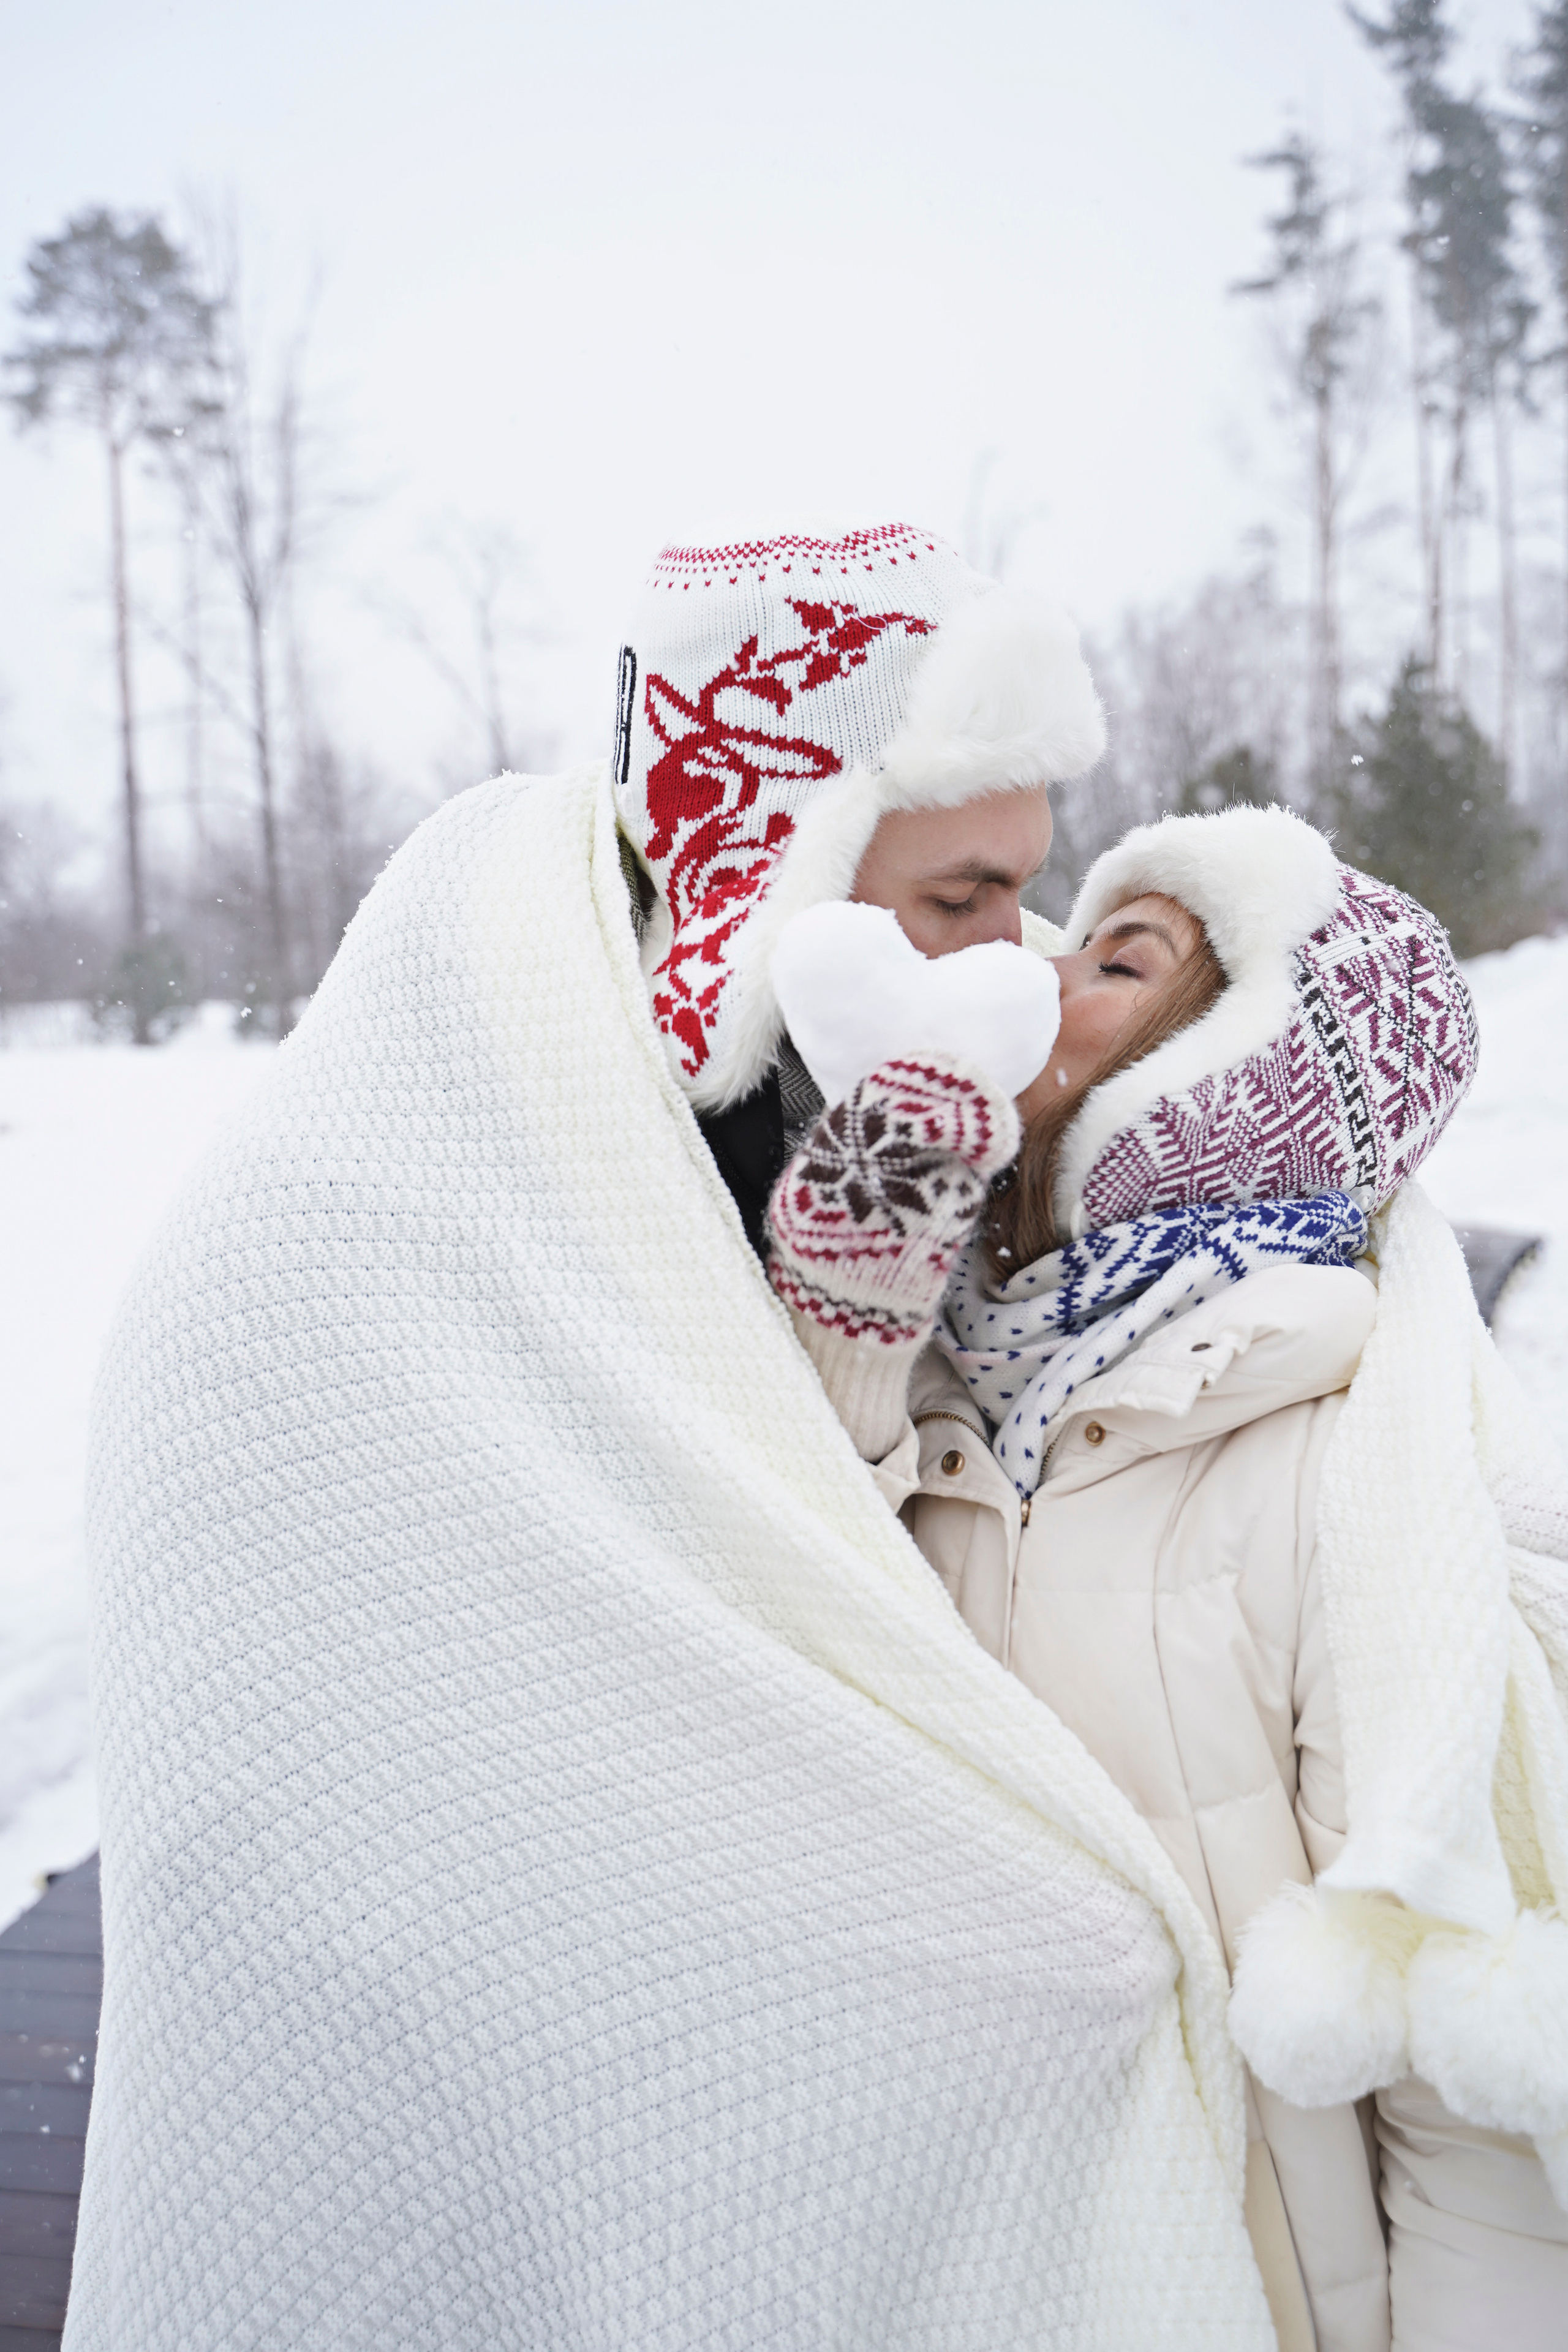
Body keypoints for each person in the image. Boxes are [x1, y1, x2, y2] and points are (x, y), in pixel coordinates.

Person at [72, 527, 1294, 2348]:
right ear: (787, 841)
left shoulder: (851, 1045)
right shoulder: (465, 1099)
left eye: (1031, 897)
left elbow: (795, 1502)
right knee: (1057, 1984)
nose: (1019, 961)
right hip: (414, 1833)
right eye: (964, 897)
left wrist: (870, 1316)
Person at [772, 800, 1568, 2352]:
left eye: (1114, 961)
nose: (1036, 964)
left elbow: (1467, 2132)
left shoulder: (1335, 1466)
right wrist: (856, 1323)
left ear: (1225, 1085)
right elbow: (787, 1571)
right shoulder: (964, 1389)